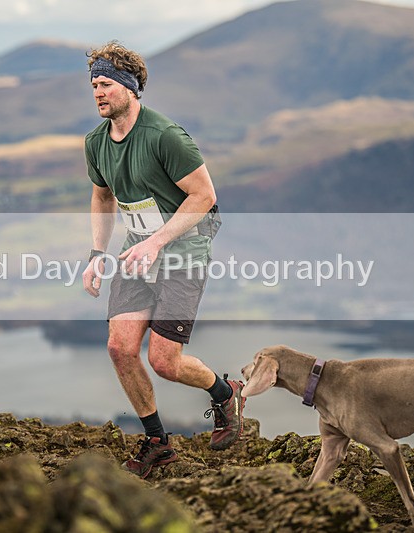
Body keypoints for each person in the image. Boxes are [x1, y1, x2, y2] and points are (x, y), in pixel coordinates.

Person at [81, 41, 245, 478]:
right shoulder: (96, 143)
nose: (98, 92)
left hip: (183, 251)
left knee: (164, 362)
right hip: (138, 251)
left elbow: (205, 196)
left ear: (131, 88)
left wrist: (158, 241)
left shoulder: (164, 136)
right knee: (120, 347)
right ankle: (157, 442)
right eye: (94, 84)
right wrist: (98, 252)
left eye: (107, 84)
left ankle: (226, 392)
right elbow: (102, 196)